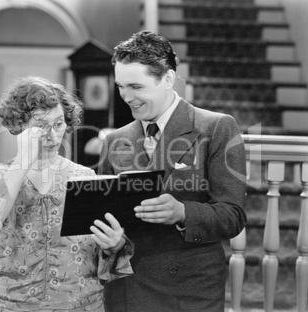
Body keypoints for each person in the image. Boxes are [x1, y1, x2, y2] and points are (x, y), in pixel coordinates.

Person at [98, 30, 247, 312]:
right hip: (129, 289)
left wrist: (182, 213)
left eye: (136, 87)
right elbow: (107, 215)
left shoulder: (217, 128)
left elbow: (233, 216)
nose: (126, 97)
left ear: (167, 79)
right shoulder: (114, 141)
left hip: (190, 292)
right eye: (120, 86)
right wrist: (111, 242)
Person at [0, 76, 134, 312]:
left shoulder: (85, 177)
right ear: (19, 126)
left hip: (81, 305)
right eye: (40, 127)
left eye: (58, 124)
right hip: (13, 306)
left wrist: (113, 245)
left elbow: (109, 257)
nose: (53, 136)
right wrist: (25, 159)